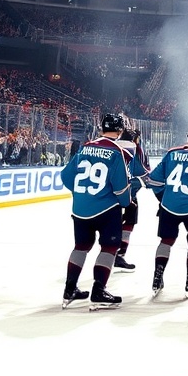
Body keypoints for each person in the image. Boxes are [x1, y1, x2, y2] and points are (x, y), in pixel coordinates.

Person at [59, 113, 133, 310]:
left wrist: (81, 194)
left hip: (80, 209)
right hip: (106, 209)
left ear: (101, 128)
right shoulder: (117, 152)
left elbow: (66, 176)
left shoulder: (85, 148)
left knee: (81, 246)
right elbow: (121, 188)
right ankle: (99, 290)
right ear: (120, 131)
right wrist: (126, 203)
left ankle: (69, 289)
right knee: (109, 247)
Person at [145, 126, 188, 298]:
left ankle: (157, 277)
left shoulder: (172, 153)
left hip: (169, 205)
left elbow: (153, 180)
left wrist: (163, 198)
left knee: (166, 241)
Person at [111, 119, 150, 272]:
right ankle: (119, 254)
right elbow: (143, 172)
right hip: (128, 193)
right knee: (129, 222)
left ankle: (108, 253)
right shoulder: (135, 149)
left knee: (111, 224)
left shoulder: (113, 146)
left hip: (109, 194)